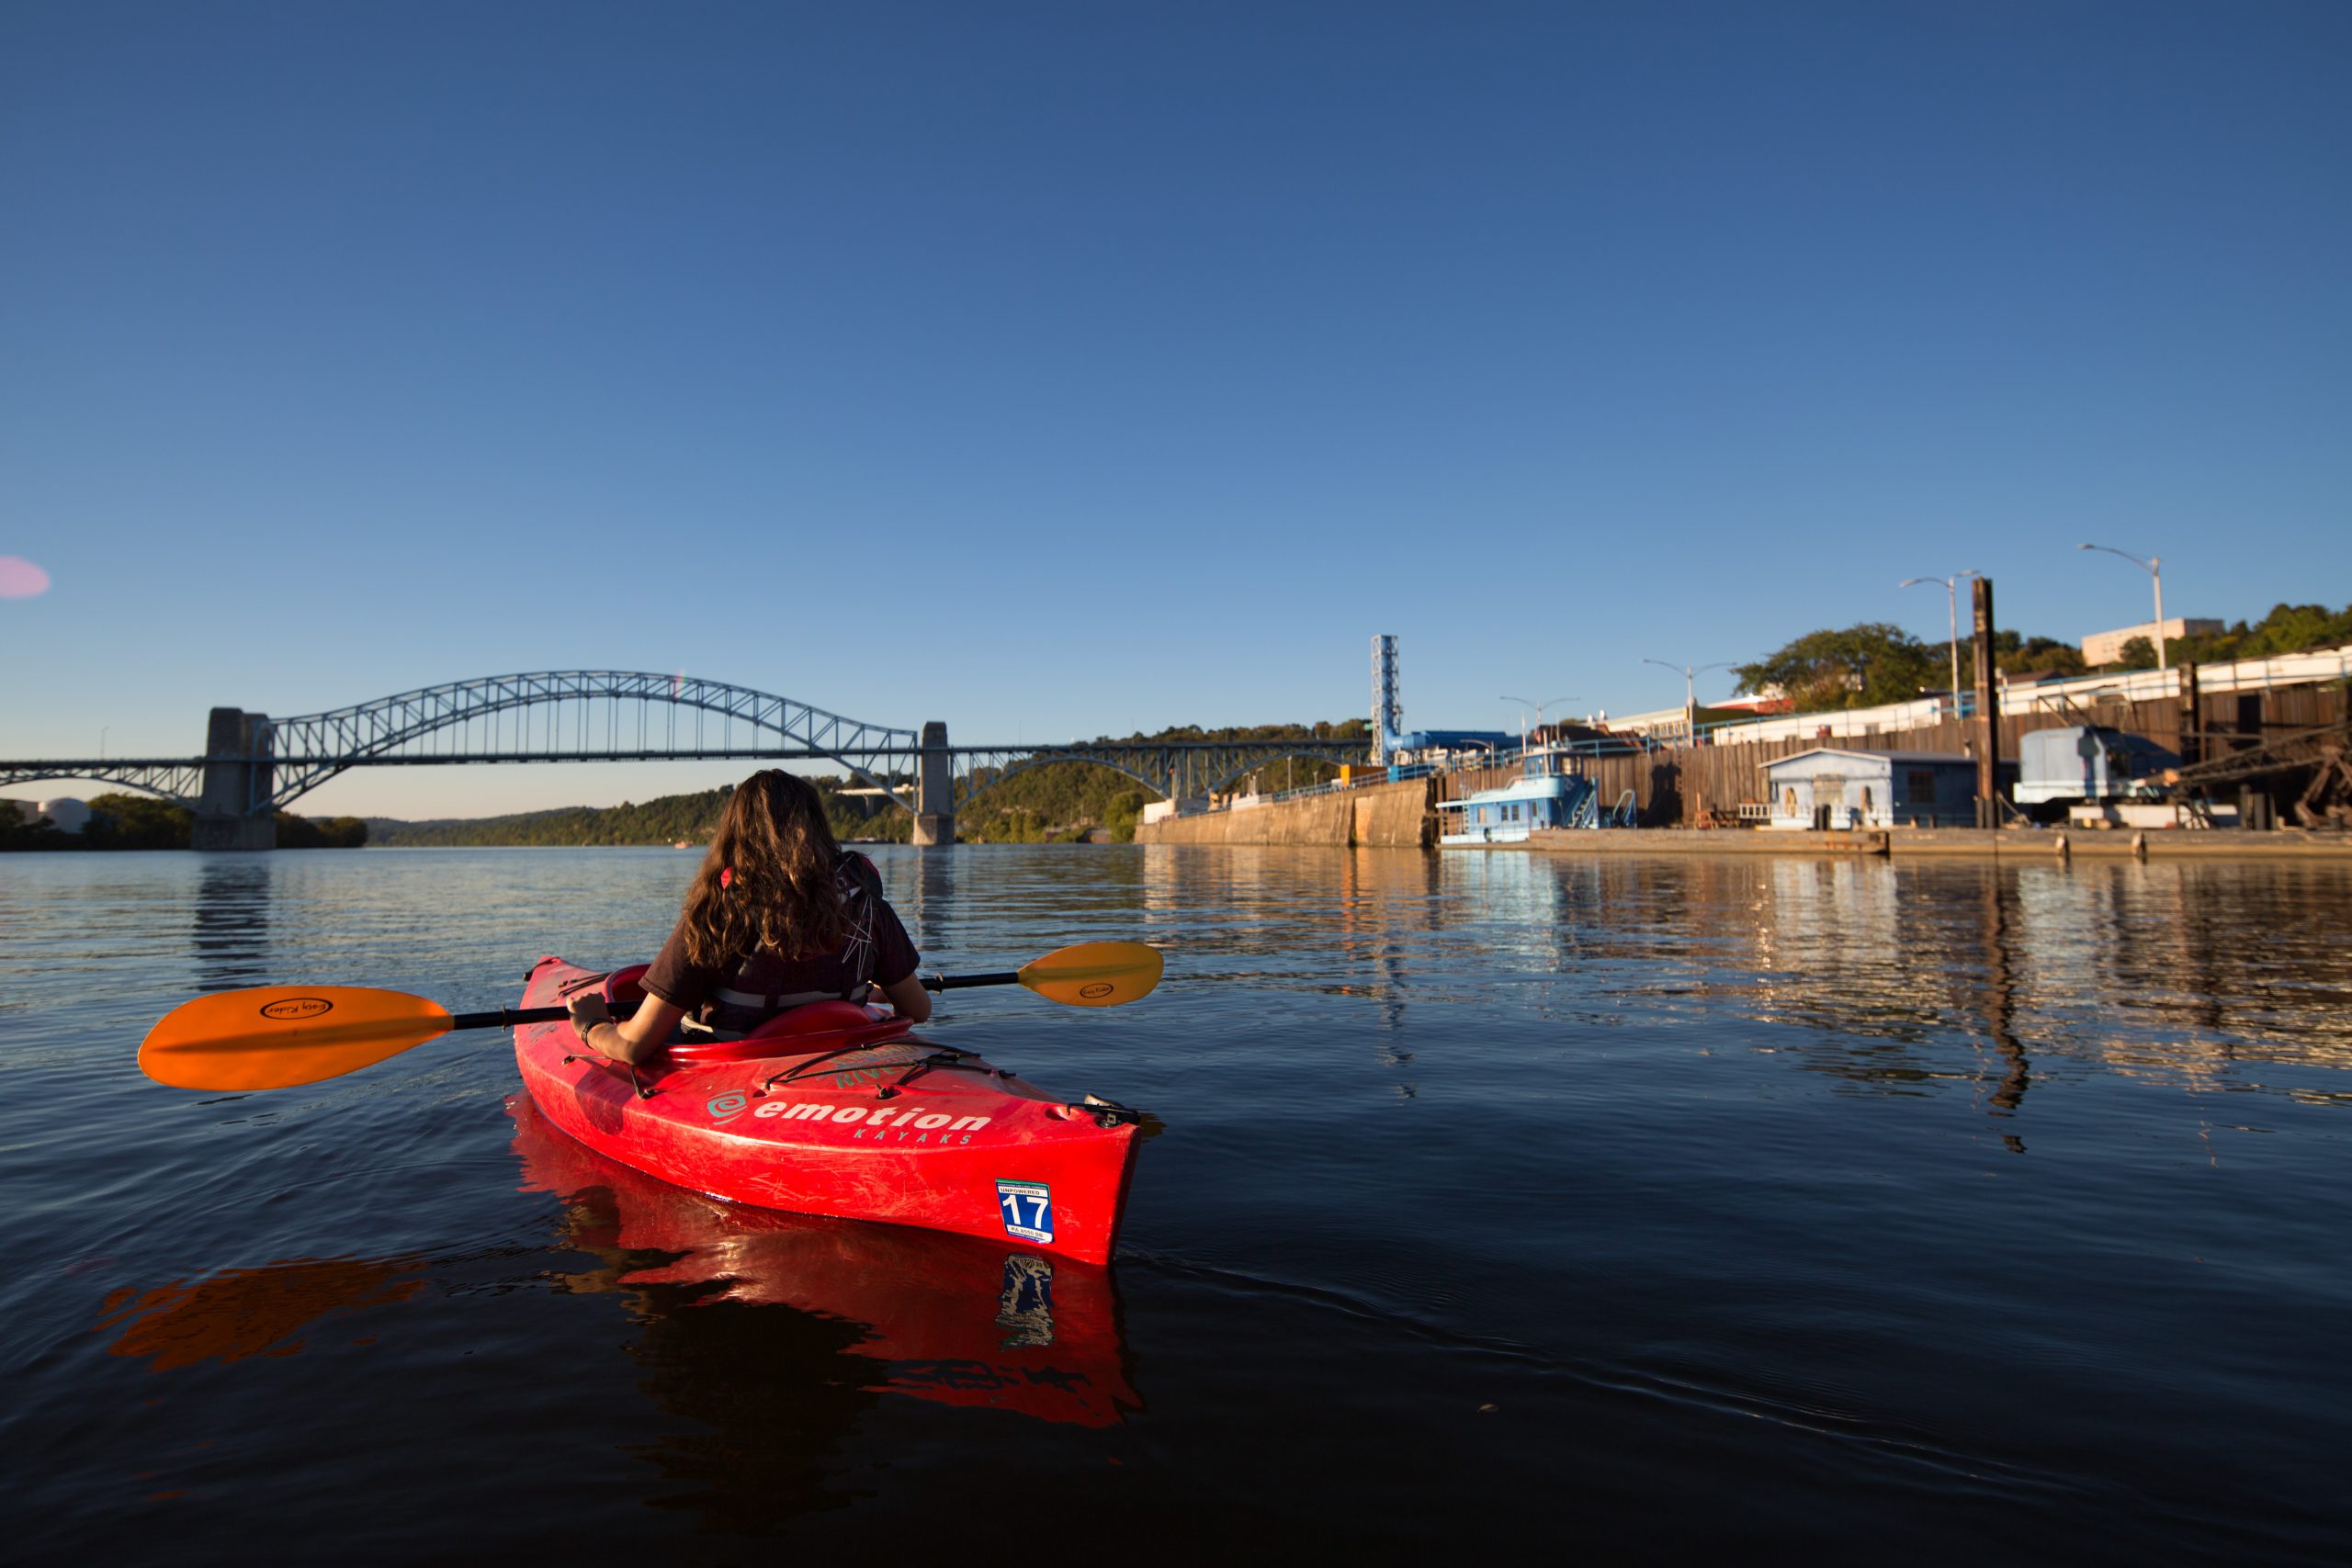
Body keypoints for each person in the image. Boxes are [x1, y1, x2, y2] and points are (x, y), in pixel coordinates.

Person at [567, 769, 931, 1066]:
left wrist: (591, 1025)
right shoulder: (868, 908)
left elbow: (633, 1047)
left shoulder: (716, 916)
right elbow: (917, 1008)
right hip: (844, 1059)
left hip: (741, 1074)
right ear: (819, 831)